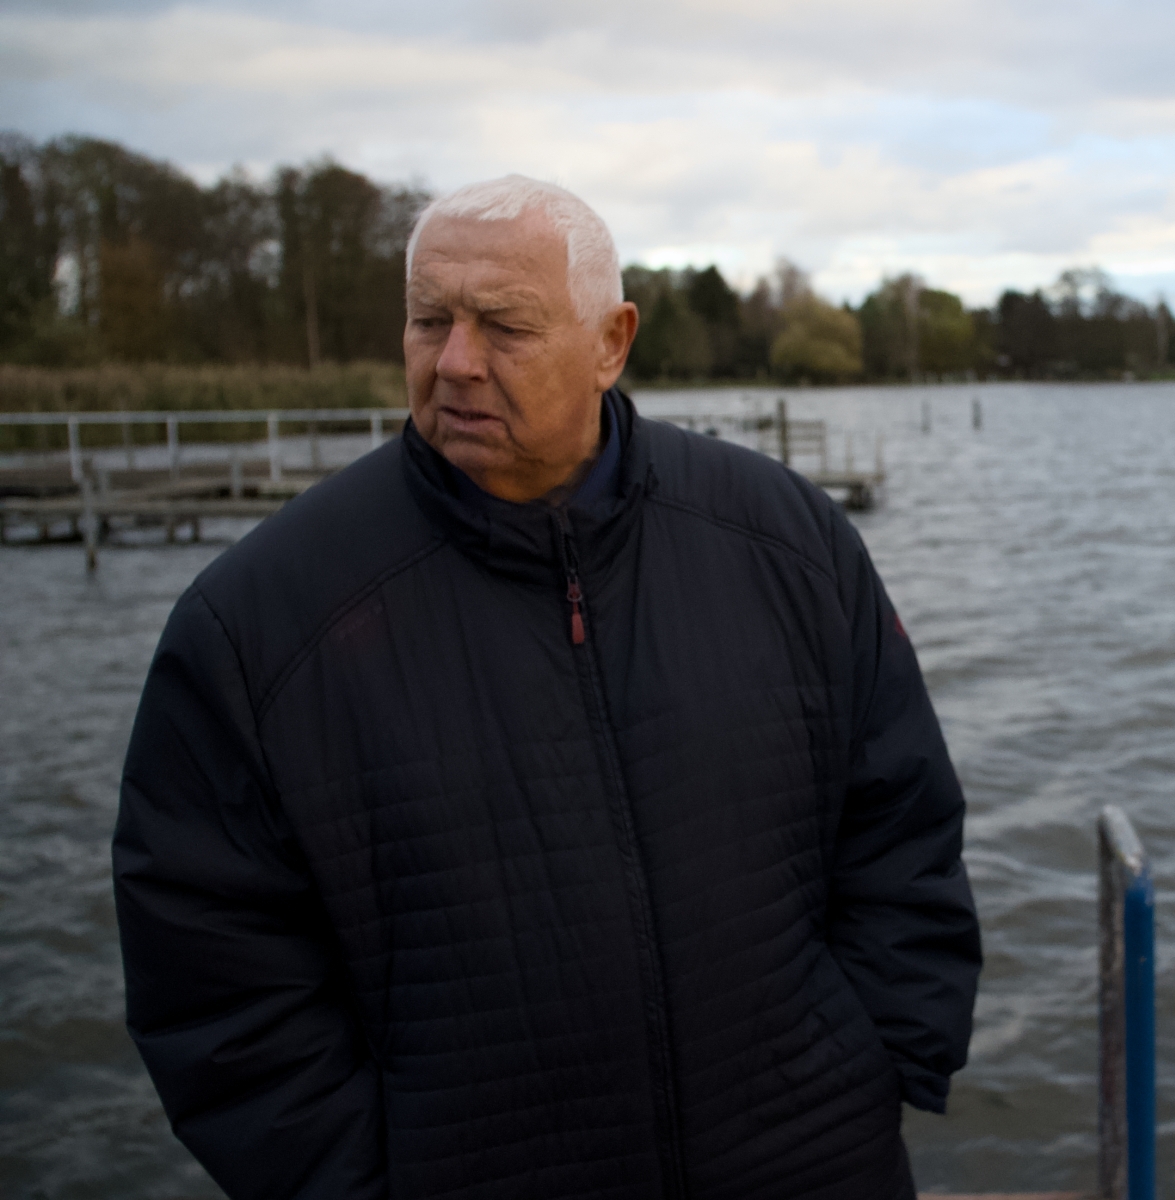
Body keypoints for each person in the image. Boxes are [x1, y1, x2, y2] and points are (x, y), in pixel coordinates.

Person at [112, 176, 981, 1200]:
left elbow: (902, 829)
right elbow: (216, 983)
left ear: (612, 341)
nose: (456, 361)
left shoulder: (785, 541)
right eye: (429, 320)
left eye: (505, 327)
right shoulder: (258, 623)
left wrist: (868, 1068)